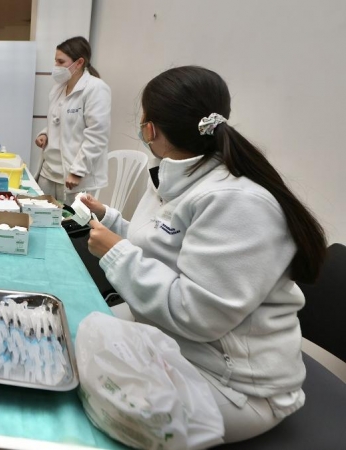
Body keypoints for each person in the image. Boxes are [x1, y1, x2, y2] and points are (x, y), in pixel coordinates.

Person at [81, 66, 327, 443]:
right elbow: (159, 244)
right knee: (75, 330)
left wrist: (117, 255)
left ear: (150, 129)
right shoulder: (175, 176)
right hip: (181, 343)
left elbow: (198, 314)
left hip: (239, 386)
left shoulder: (237, 203)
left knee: (90, 397)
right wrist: (110, 219)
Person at [34, 36, 110, 205]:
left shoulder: (96, 89)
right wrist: (45, 134)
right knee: (41, 219)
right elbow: (58, 121)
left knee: (71, 227)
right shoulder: (58, 89)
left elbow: (97, 135)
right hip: (49, 171)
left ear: (79, 63)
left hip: (74, 177)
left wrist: (78, 171)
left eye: (61, 62)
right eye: (55, 61)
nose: (56, 67)